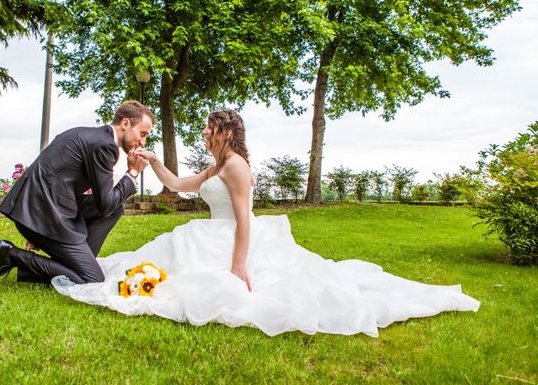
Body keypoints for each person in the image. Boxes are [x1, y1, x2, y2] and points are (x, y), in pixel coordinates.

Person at [52, 110, 479, 337]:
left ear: (224, 132)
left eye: (208, 128)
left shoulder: (236, 167)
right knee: (168, 254)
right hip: (209, 232)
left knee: (207, 279)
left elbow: (243, 220)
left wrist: (239, 266)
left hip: (234, 237)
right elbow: (181, 186)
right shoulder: (217, 163)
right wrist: (154, 161)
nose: (203, 133)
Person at [0, 100, 154, 288]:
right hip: (43, 213)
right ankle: (11, 255)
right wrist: (133, 173)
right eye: (143, 134)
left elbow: (105, 204)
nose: (143, 142)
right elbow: (105, 203)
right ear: (125, 123)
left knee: (115, 210)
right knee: (92, 279)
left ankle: (77, 263)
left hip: (44, 207)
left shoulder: (90, 135)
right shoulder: (104, 146)